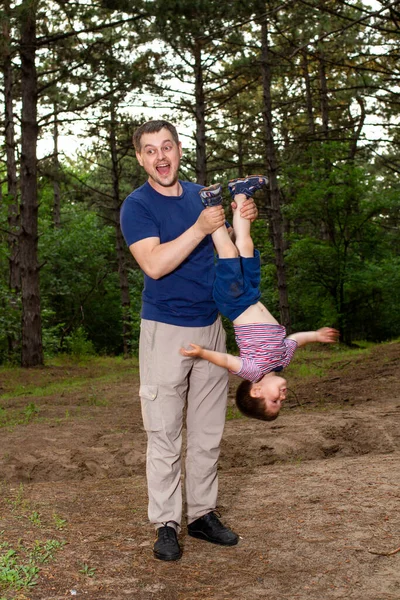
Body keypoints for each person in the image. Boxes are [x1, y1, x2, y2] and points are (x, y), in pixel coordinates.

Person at [119, 120, 258, 562]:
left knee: (207, 433)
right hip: (165, 331)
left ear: (179, 150)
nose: (161, 157)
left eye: (167, 147)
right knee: (163, 433)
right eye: (150, 150)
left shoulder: (203, 195)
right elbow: (155, 265)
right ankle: (166, 522)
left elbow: (228, 252)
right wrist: (199, 227)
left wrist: (240, 223)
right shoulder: (137, 206)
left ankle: (201, 515)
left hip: (210, 327)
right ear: (140, 159)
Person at [180, 178, 339, 422]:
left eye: (274, 401)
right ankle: (240, 193)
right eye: (280, 403)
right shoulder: (281, 360)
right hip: (251, 294)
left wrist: (202, 352)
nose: (282, 398)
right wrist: (316, 336)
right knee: (245, 244)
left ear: (256, 390)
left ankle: (211, 205)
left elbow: (225, 360)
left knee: (229, 253)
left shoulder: (253, 370)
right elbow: (295, 339)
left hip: (234, 301)